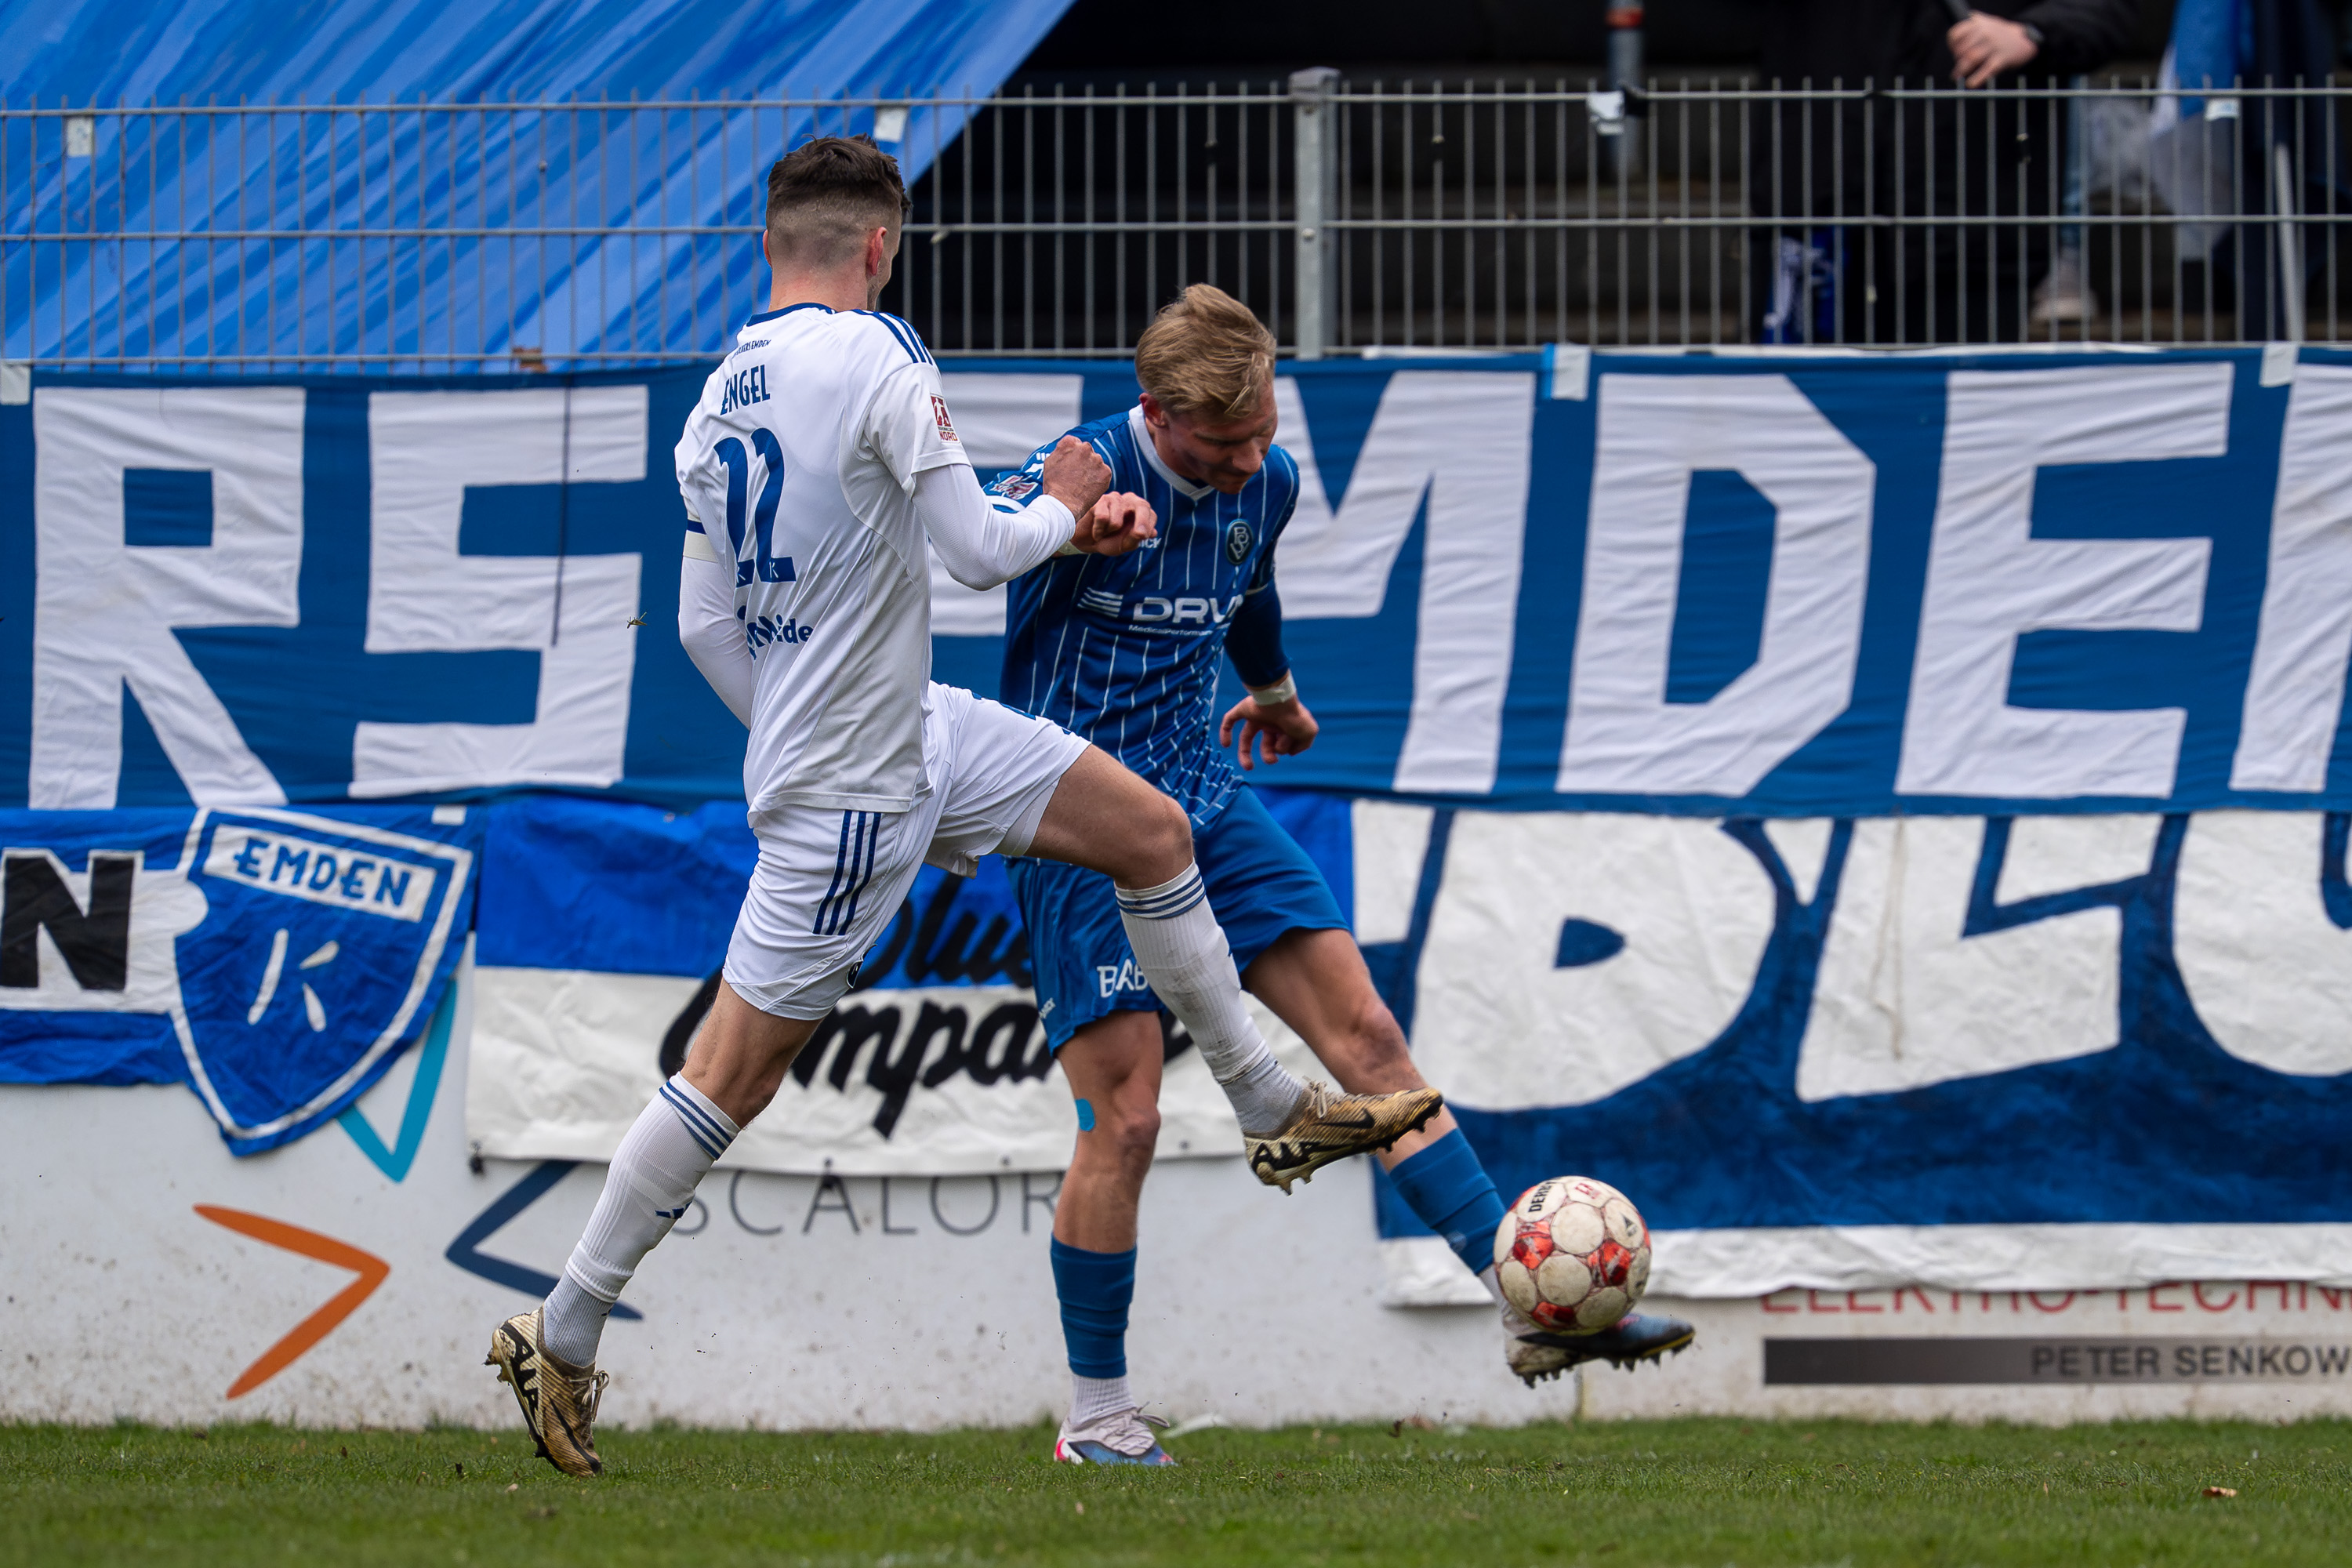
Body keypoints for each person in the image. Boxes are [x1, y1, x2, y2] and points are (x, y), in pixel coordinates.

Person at [484, 140, 1442, 1479]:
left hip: (907, 730)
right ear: (882, 246)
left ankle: (1269, 1101)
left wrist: (812, 719)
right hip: (860, 782)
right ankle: (565, 1328)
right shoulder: (882, 353)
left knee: (1153, 834)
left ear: (771, 246)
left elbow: (703, 626)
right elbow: (984, 555)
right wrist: (1064, 505)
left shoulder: (715, 403)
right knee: (728, 1076)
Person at [991, 285, 1697, 1467]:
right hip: (1079, 823)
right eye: (1219, 445)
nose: (1247, 460)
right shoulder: (1078, 470)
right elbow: (977, 541)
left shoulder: (1264, 478)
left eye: (1261, 433)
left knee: (1369, 1038)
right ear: (1156, 413)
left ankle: (1531, 1308)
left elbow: (1249, 583)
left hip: (1203, 800)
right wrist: (1066, 523)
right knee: (1129, 1117)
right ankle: (1098, 1416)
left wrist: (1272, 691)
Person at [1749, 0, 2138, 344]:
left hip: (1974, 228)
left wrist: (2032, 33)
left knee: (1966, 397)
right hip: (1816, 225)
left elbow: (2106, 11)